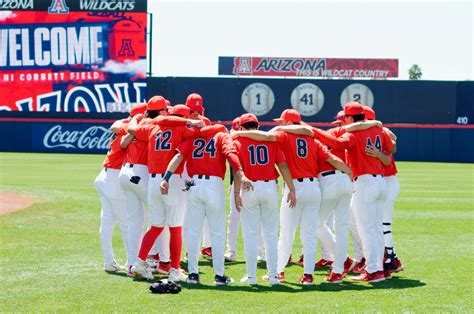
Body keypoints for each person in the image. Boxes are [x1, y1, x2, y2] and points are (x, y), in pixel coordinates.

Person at [233, 109, 352, 285]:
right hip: (314, 188)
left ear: (288, 123)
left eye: (282, 121)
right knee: (309, 233)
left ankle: (277, 273)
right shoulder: (312, 139)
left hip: (293, 186)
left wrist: (236, 134)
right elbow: (333, 160)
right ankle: (308, 276)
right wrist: (350, 172)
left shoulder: (281, 136)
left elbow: (264, 139)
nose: (279, 124)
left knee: (285, 234)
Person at [160, 125, 252, 286]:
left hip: (194, 185)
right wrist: (241, 174)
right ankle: (219, 276)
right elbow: (231, 155)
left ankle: (193, 275)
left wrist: (166, 177)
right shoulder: (221, 136)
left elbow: (178, 157)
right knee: (217, 233)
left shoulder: (193, 137)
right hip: (213, 186)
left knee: (194, 232)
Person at [312, 102, 394, 282]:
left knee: (366, 230)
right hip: (380, 182)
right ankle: (380, 269)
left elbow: (336, 144)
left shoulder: (354, 133)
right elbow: (390, 155)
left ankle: (372, 271)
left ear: (349, 118)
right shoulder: (378, 131)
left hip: (364, 183)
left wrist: (313, 130)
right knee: (376, 229)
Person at [127, 98, 204, 282]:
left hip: (153, 181)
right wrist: (188, 121)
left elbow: (133, 129)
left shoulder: (152, 126)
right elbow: (200, 130)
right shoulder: (182, 128)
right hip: (172, 180)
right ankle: (175, 269)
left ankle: (139, 262)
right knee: (176, 228)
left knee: (156, 226)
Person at [233, 113, 296, 285]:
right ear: (258, 126)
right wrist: (291, 188)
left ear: (241, 128)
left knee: (250, 234)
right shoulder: (270, 141)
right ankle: (274, 276)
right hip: (269, 187)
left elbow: (237, 170)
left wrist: (236, 193)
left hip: (249, 188)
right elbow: (282, 165)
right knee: (270, 234)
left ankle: (252, 277)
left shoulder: (239, 142)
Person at [224, 117, 265, 263]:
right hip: (245, 182)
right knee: (237, 218)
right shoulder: (258, 138)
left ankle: (260, 252)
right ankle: (232, 250)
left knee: (245, 219)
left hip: (250, 183)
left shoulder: (257, 139)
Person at [94, 116, 131, 273]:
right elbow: (116, 126)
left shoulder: (121, 131)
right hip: (113, 178)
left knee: (107, 221)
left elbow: (116, 126)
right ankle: (131, 263)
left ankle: (109, 262)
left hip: (104, 176)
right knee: (126, 223)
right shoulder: (126, 134)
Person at [185, 93, 213, 258]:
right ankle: (189, 249)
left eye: (198, 111)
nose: (196, 114)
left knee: (207, 210)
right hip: (185, 173)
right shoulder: (181, 120)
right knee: (188, 212)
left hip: (200, 172)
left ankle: (207, 246)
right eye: (193, 111)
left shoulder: (206, 122)